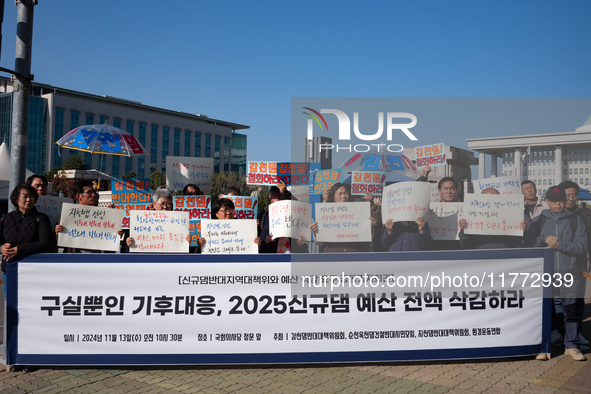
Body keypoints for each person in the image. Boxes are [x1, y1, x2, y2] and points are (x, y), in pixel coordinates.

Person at [525, 185, 587, 361]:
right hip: (545, 274)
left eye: (560, 200)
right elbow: (528, 241)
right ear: (547, 202)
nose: (557, 203)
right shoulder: (539, 220)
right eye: (553, 200)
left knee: (571, 311)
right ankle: (544, 347)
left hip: (570, 273)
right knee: (545, 311)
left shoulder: (576, 220)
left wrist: (560, 245)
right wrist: (544, 239)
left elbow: (581, 246)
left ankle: (571, 346)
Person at [1, 184, 53, 373]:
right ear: (16, 199)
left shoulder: (41, 218)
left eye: (31, 196)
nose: (28, 199)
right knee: (14, 315)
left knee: (31, 314)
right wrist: (2, 248)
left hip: (32, 274)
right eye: (24, 196)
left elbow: (46, 243)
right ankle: (15, 356)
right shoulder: (7, 218)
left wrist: (18, 250)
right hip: (10, 273)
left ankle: (31, 355)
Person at [557, 181, 590, 347]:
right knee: (558, 301)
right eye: (567, 195)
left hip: (579, 264)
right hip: (558, 266)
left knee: (578, 301)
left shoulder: (584, 215)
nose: (571, 198)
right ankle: (561, 332)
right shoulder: (552, 215)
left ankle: (576, 333)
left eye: (574, 195)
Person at [55, 180, 124, 252]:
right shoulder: (67, 216)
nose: (93, 195)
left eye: (94, 192)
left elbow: (112, 239)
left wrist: (117, 233)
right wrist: (58, 233)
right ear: (78, 196)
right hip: (74, 260)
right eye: (89, 192)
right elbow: (58, 242)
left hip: (100, 260)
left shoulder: (104, 216)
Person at [310, 183, 376, 253]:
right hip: (332, 256)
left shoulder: (358, 211)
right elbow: (320, 243)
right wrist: (315, 232)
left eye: (345, 193)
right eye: (339, 194)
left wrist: (370, 227)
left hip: (355, 255)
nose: (343, 196)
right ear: (333, 196)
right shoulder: (326, 214)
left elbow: (368, 238)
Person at [458, 188, 526, 249]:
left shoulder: (510, 217)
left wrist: (520, 232)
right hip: (482, 258)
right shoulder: (473, 218)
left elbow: (517, 245)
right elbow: (467, 245)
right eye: (489, 198)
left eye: (496, 198)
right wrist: (464, 231)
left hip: (505, 258)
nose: (492, 202)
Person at [126, 188, 191, 248]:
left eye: (168, 204)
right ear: (154, 205)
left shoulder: (180, 223)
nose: (165, 207)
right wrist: (129, 243)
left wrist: (186, 241)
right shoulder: (142, 223)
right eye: (162, 204)